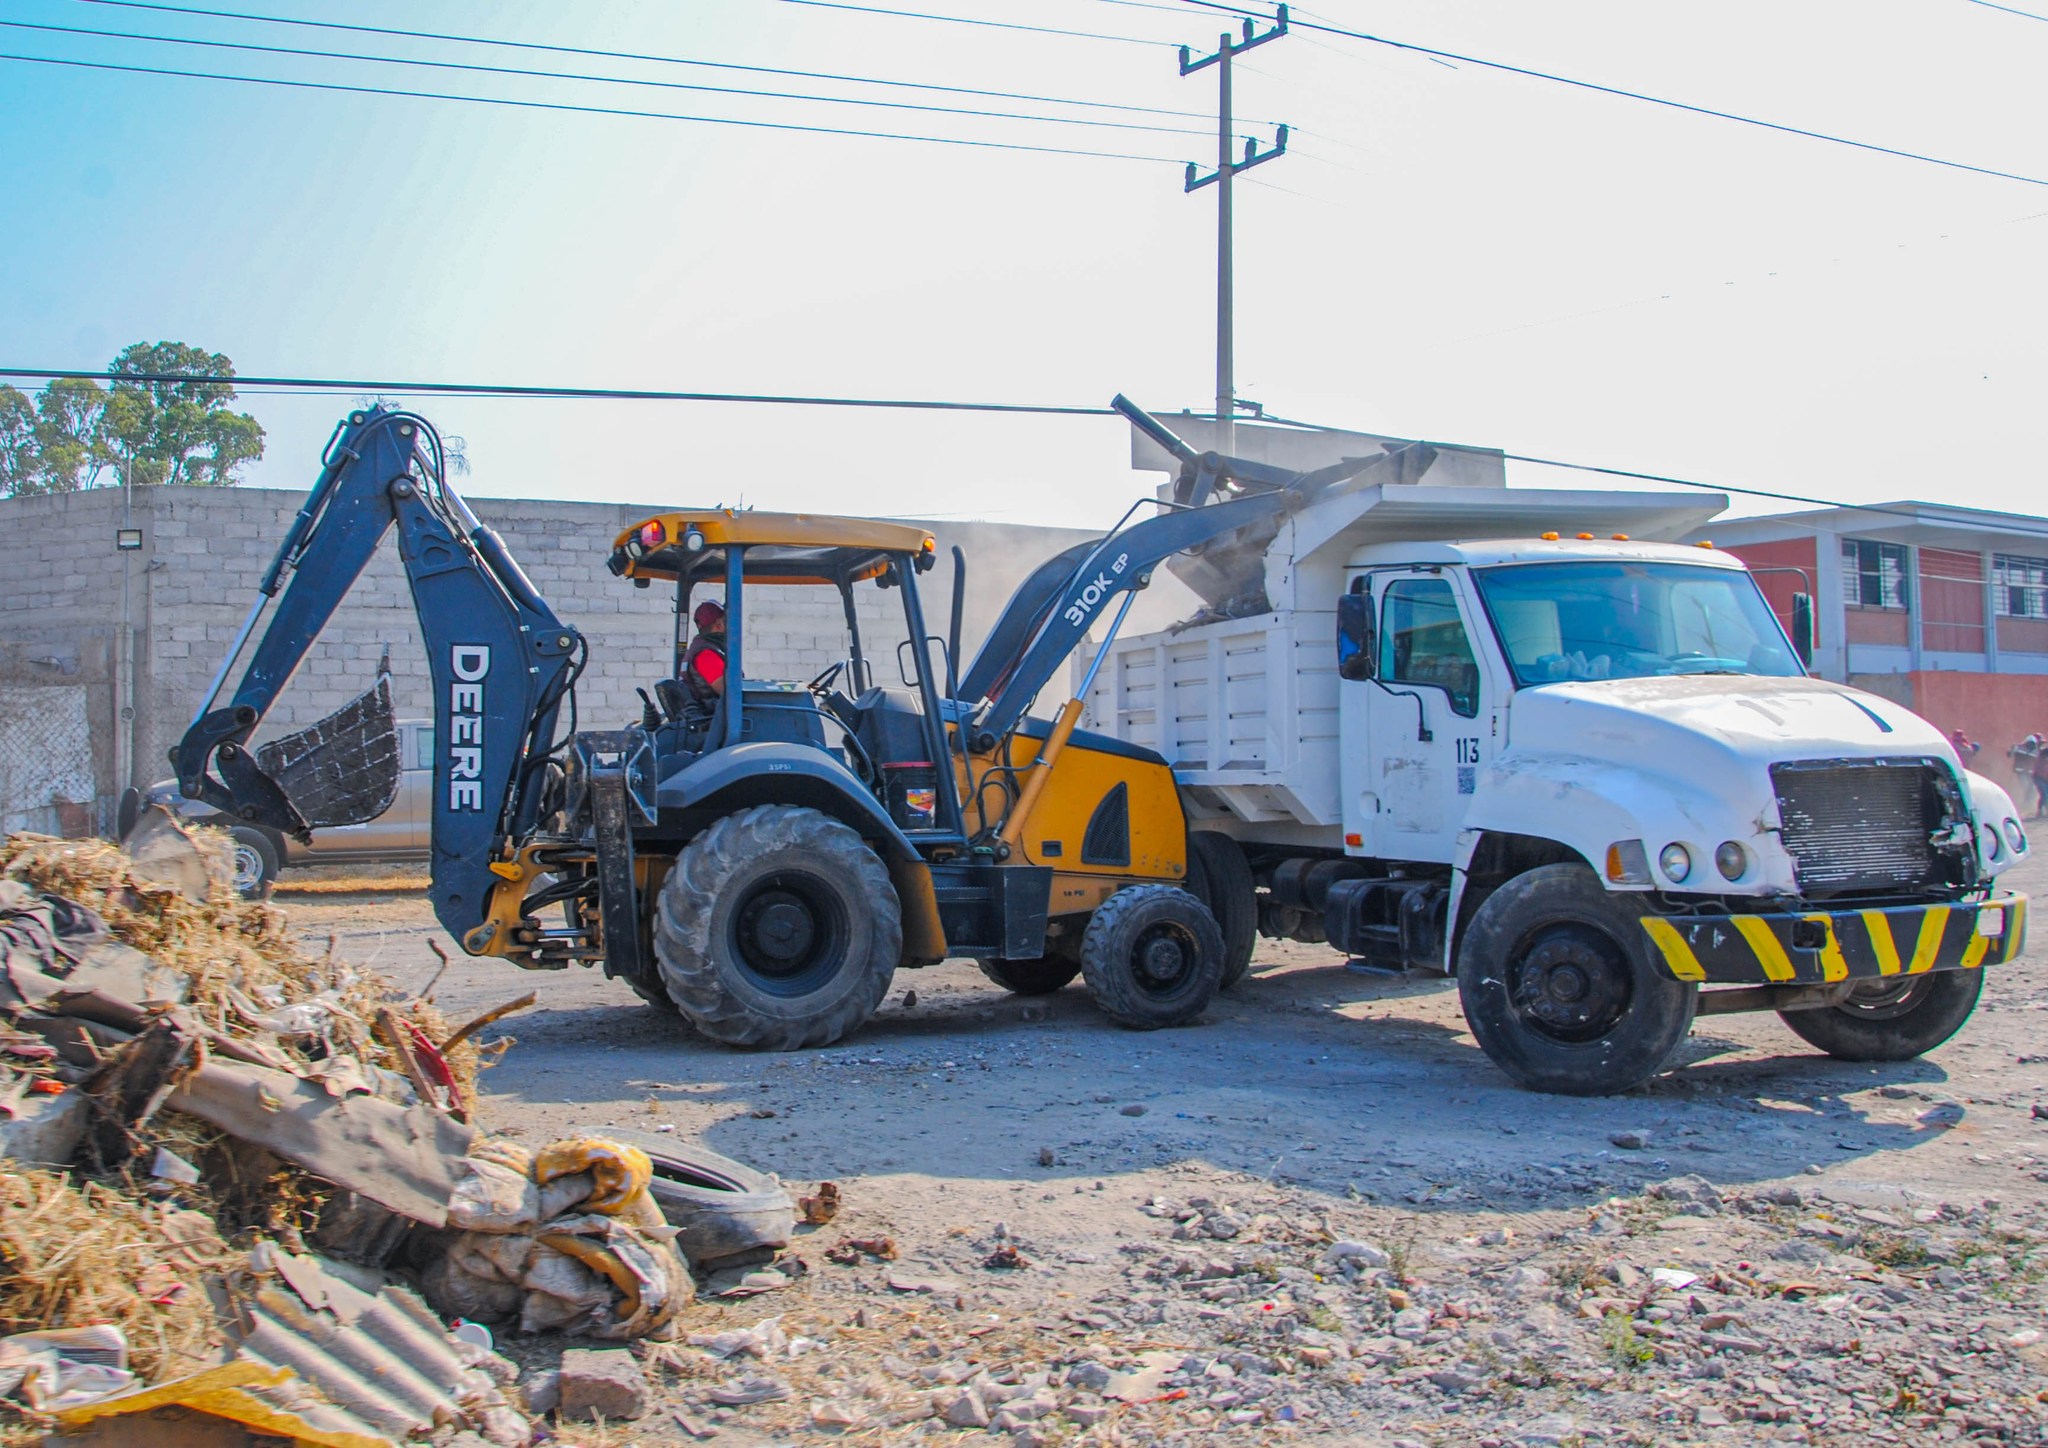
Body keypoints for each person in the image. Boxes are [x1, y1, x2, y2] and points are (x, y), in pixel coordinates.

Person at [684, 599, 729, 701]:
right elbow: (730, 692)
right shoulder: (706, 655)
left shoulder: (702, 646)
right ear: (719, 624)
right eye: (726, 620)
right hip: (712, 713)